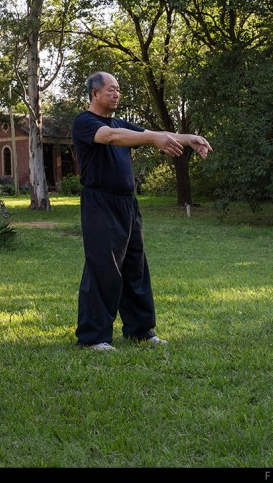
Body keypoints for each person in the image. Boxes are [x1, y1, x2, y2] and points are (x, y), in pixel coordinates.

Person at [72, 71, 211, 351]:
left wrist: (189, 138)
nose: (116, 94)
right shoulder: (85, 122)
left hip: (128, 204)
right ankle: (93, 337)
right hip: (100, 203)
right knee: (103, 268)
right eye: (111, 89)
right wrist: (153, 139)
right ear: (95, 93)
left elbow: (152, 135)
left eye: (118, 89)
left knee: (135, 267)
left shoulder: (121, 123)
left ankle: (140, 331)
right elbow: (111, 137)